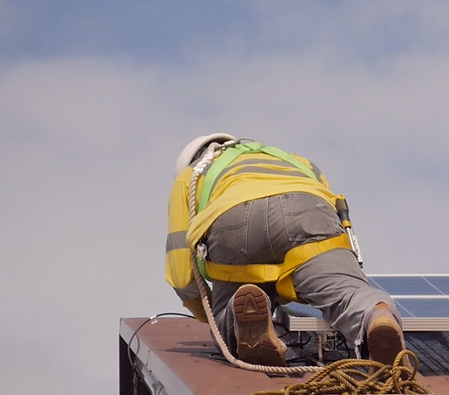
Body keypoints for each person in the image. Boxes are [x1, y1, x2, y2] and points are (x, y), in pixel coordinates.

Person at [165, 133, 405, 366]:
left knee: (237, 306)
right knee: (348, 293)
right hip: (307, 208)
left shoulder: (191, 175)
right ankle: (376, 315)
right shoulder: (295, 161)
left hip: (233, 221)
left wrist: (209, 318)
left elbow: (181, 274)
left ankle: (243, 325)